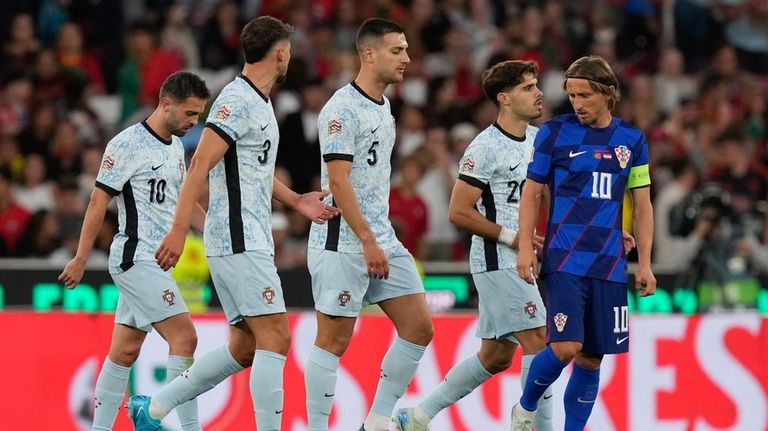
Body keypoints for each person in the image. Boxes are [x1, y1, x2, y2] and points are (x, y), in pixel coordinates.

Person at [126, 16, 340, 431]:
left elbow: (252, 171)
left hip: (244, 238)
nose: (289, 57)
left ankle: (153, 409)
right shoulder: (236, 100)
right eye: (289, 51)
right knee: (276, 339)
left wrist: (296, 200)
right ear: (280, 53)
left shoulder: (257, 101)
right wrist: (178, 228)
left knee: (244, 348)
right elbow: (199, 163)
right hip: (239, 239)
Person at [393, 59, 554, 431]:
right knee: (540, 341)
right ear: (505, 99)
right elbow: (459, 211)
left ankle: (417, 416)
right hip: (499, 259)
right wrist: (516, 238)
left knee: (496, 356)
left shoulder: (537, 139)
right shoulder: (484, 148)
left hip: (524, 256)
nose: (538, 93)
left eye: (536, 85)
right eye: (528, 87)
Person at [58, 71, 211, 431]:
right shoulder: (126, 145)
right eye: (190, 114)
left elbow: (181, 204)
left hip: (157, 264)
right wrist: (81, 258)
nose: (194, 123)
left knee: (125, 351)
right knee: (185, 337)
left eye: (198, 116)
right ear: (166, 103)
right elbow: (98, 202)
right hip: (136, 258)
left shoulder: (175, 145)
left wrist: (218, 235)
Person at [511, 55, 656, 431]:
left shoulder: (632, 141)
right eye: (572, 95)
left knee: (592, 358)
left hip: (609, 263)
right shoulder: (554, 133)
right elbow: (532, 194)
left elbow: (641, 204)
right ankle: (525, 408)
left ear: (608, 94)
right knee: (565, 347)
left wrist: (644, 263)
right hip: (565, 259)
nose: (577, 103)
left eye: (585, 95)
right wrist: (526, 247)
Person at [304, 18, 434, 431]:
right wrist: (366, 239)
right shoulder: (341, 109)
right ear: (370, 54)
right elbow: (337, 180)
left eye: (407, 50)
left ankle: (376, 421)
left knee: (419, 327)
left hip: (380, 237)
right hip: (343, 240)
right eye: (398, 50)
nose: (407, 58)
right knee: (334, 340)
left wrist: (376, 239)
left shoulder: (384, 106)